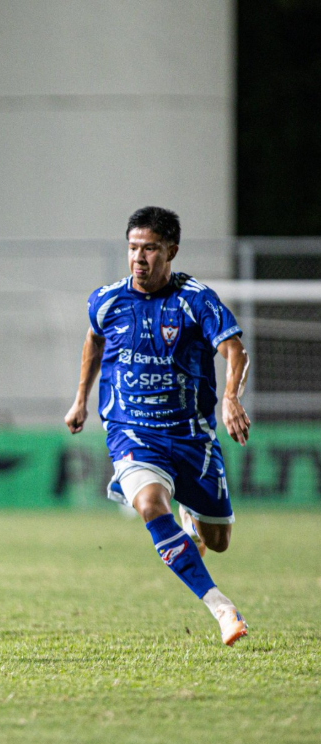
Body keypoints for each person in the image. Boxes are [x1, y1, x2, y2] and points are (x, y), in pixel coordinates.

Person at [64, 206, 251, 646]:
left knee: (218, 540)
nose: (139, 258)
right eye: (133, 248)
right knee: (149, 504)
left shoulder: (195, 300)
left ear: (171, 251)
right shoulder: (107, 300)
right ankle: (222, 610)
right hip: (132, 432)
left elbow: (235, 349)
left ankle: (192, 522)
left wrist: (229, 398)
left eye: (150, 249)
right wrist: (80, 400)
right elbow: (93, 338)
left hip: (190, 436)